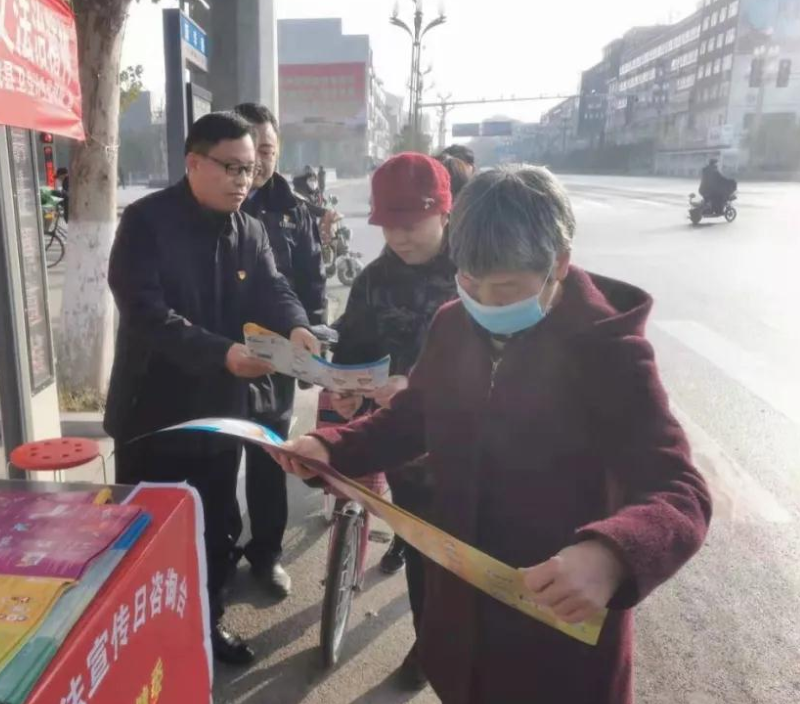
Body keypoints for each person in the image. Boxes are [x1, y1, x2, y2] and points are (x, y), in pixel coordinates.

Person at [274, 165, 712, 703]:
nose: (484, 303)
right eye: (468, 282)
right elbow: (413, 418)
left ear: (558, 264)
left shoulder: (609, 353)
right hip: (462, 616)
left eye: (504, 289)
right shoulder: (453, 324)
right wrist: (332, 446)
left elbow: (679, 490)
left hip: (555, 627)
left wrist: (612, 555)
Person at [105, 111, 317, 667]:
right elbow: (145, 313)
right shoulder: (146, 222)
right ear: (193, 163)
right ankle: (143, 639)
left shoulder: (250, 229)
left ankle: (206, 622)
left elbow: (273, 287)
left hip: (220, 415)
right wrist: (221, 353)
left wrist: (297, 325)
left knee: (216, 526)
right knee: (148, 530)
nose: (244, 180)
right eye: (231, 167)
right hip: (153, 416)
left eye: (250, 168)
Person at [328, 152, 458, 691]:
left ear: (444, 211)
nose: (400, 236)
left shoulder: (479, 273)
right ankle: (429, 646)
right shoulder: (375, 280)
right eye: (389, 224)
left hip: (476, 449)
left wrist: (418, 385)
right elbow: (354, 343)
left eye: (412, 222)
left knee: (476, 564)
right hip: (408, 454)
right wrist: (344, 386)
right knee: (425, 558)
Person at [233, 102, 327, 599]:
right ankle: (218, 551)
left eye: (268, 150)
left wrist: (312, 347)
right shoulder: (219, 201)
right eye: (252, 151)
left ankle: (266, 554)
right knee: (217, 455)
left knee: (271, 456)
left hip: (278, 356)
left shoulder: (295, 209)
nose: (260, 162)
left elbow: (312, 282)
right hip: (223, 355)